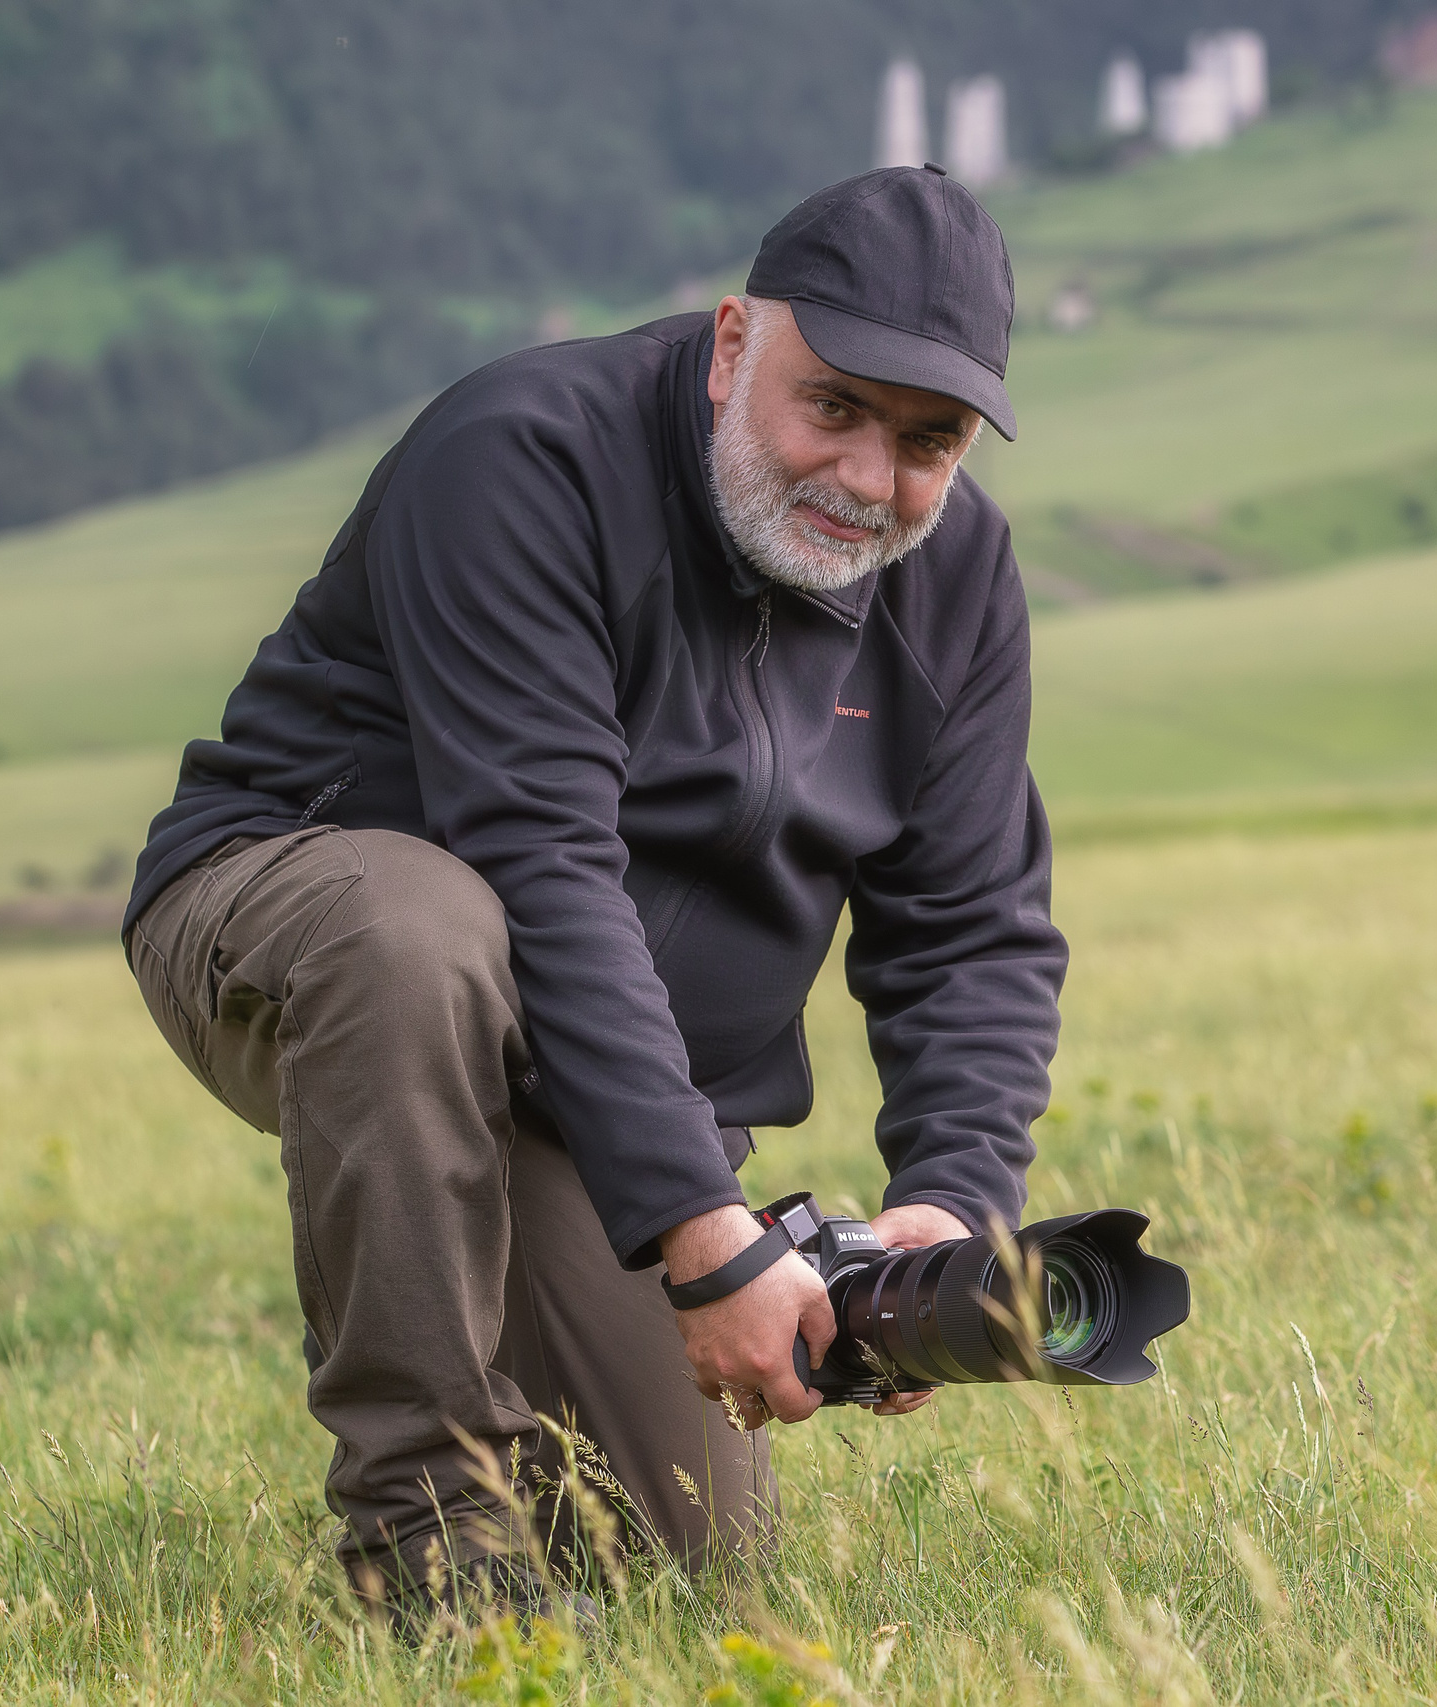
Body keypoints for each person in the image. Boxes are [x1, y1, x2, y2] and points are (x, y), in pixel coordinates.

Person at [120, 166, 1065, 1617]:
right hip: (299, 920)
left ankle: (540, 1450)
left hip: (591, 1069)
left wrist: (956, 1204)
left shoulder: (958, 582)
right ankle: (427, 1541)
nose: (872, 482)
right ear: (737, 342)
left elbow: (972, 926)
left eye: (927, 441)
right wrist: (702, 1231)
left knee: (692, 1560)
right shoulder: (523, 459)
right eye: (835, 408)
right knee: (416, 933)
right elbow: (541, 861)